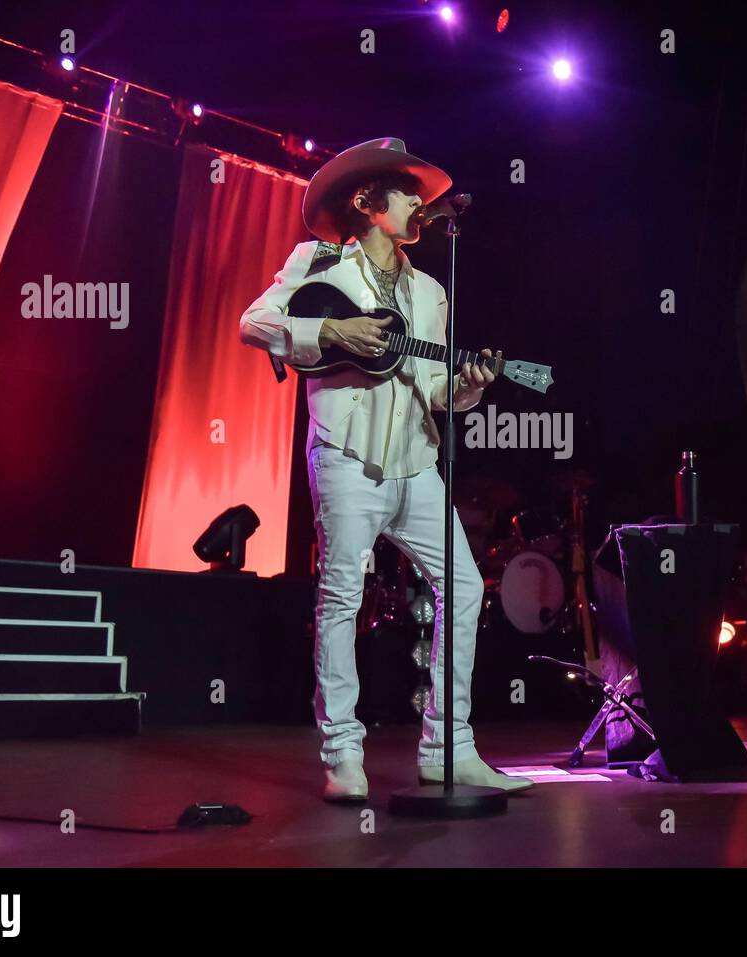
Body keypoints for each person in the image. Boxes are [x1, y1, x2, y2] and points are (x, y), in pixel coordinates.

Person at [239, 137, 533, 802]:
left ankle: (448, 745)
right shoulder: (317, 263)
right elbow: (253, 323)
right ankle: (343, 752)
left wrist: (472, 385)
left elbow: (435, 391)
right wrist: (332, 334)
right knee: (342, 596)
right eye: (407, 194)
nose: (419, 206)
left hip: (416, 461)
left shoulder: (431, 292)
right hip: (346, 457)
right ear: (368, 202)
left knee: (463, 587)